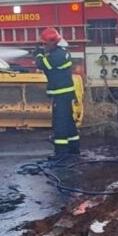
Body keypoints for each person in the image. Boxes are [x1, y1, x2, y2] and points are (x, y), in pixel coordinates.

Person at [35, 27, 80, 157]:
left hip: (61, 94)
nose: (44, 46)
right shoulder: (61, 52)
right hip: (64, 93)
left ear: (52, 43)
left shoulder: (58, 55)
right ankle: (73, 149)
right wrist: (41, 53)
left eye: (44, 44)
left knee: (59, 123)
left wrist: (38, 54)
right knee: (68, 122)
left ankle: (61, 153)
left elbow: (44, 64)